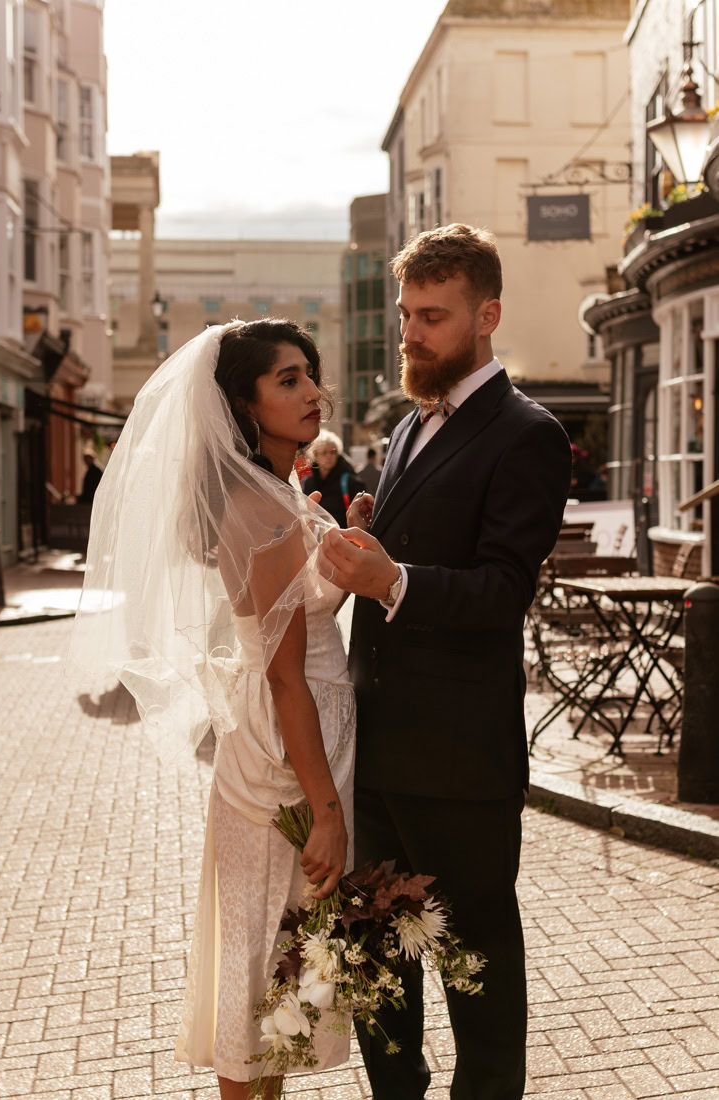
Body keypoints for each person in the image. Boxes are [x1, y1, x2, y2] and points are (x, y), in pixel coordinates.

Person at [68, 319, 355, 1100]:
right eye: (287, 379)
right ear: (242, 402)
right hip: (287, 748)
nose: (312, 391)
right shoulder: (262, 512)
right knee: (259, 964)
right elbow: (288, 677)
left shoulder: (270, 488)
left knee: (274, 969)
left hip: (287, 733)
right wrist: (325, 809)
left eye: (311, 374)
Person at [318, 223, 572, 1100]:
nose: (411, 334)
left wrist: (391, 576)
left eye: (432, 316)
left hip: (462, 760)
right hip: (377, 746)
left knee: (476, 966)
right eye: (404, 314)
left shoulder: (527, 433)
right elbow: (414, 559)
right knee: (375, 954)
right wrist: (371, 540)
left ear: (486, 315)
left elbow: (502, 591)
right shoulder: (404, 427)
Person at [302, 430, 364, 527]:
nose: (329, 456)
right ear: (316, 456)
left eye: (333, 452)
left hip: (344, 537)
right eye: (324, 452)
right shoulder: (308, 482)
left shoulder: (350, 481)